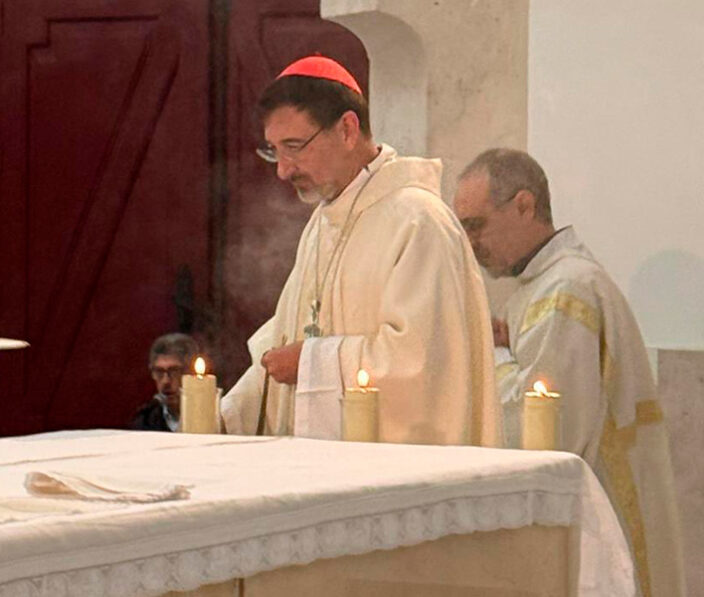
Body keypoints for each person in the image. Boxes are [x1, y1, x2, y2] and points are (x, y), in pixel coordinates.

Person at [219, 55, 500, 447]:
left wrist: (312, 363)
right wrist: (226, 416)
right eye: (273, 150)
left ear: (348, 129)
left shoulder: (419, 221)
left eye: (295, 147)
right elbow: (286, 337)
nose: (283, 170)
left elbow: (423, 364)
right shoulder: (323, 223)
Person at [452, 148, 685, 597]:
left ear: (524, 205)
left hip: (602, 511)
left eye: (476, 224)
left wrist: (494, 357)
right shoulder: (543, 286)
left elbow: (549, 424)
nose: (469, 242)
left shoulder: (568, 289)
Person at [130, 333, 199, 432]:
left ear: (191, 372)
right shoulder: (145, 420)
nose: (165, 381)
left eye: (174, 371)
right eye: (159, 372)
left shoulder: (214, 416)